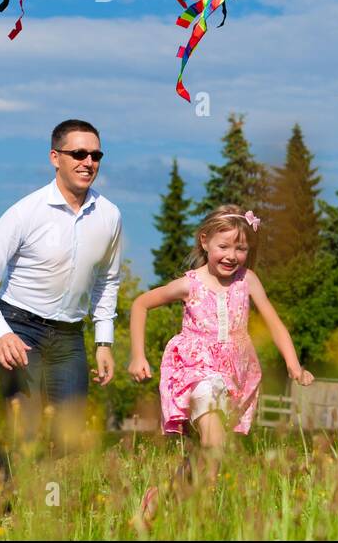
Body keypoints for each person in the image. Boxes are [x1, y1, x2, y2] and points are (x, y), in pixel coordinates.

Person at [128, 205, 313, 522]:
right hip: (198, 372)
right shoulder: (190, 284)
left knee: (209, 452)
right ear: (205, 242)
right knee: (214, 444)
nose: (231, 256)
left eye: (240, 248)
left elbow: (274, 323)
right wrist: (137, 355)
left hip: (236, 376)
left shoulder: (248, 281)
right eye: (223, 246)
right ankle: (205, 517)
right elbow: (141, 303)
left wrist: (294, 365)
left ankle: (161, 498)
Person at [0, 119, 121, 479]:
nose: (88, 162)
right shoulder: (25, 212)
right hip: (21, 329)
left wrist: (104, 340)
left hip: (69, 336)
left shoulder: (110, 216)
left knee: (67, 437)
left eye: (96, 155)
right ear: (55, 157)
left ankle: (36, 503)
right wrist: (0, 334)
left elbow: (108, 281)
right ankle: (2, 507)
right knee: (27, 428)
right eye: (78, 153)